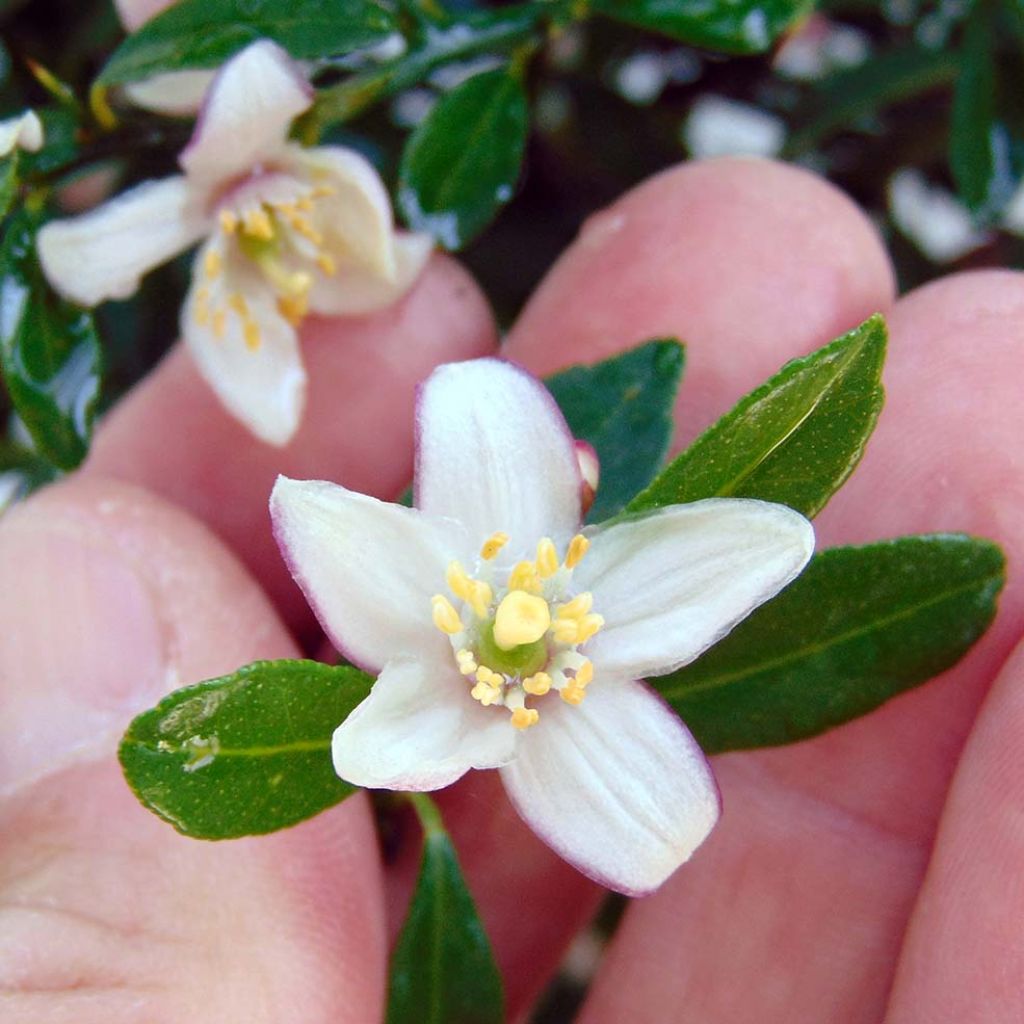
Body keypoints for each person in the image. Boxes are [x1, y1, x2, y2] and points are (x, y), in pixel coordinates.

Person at [1, 157, 1021, 1022]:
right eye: (512, 626)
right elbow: (366, 730)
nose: (518, 623)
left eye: (522, 626)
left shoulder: (565, 663)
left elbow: (659, 761)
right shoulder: (395, 682)